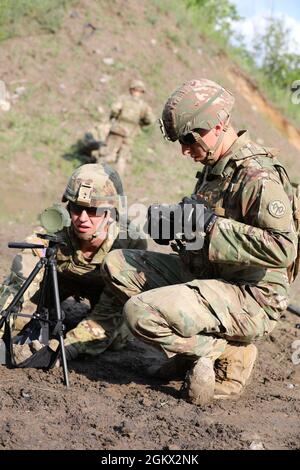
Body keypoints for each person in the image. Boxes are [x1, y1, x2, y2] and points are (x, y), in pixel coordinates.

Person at [100, 78, 297, 405]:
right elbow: (204, 222)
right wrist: (174, 223)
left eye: (190, 139)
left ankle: (229, 353)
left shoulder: (257, 175)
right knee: (119, 264)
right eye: (180, 141)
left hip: (251, 297)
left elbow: (282, 248)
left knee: (140, 314)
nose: (184, 150)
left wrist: (209, 227)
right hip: (213, 277)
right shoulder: (215, 167)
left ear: (218, 126)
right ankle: (193, 352)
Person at [0, 163, 147, 363]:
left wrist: (62, 349)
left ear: (111, 212)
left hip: (106, 292)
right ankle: (48, 313)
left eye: (93, 210)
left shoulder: (130, 242)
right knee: (16, 322)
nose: (83, 218)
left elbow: (110, 313)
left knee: (115, 339)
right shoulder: (54, 228)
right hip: (59, 281)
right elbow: (19, 283)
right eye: (77, 208)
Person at [88, 79, 155, 175]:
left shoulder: (123, 100)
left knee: (106, 152)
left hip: (117, 130)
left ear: (131, 89)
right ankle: (116, 182)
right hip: (130, 134)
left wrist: (114, 118)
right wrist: (140, 123)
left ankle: (96, 173)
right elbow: (150, 120)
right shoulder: (143, 106)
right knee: (122, 158)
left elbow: (115, 109)